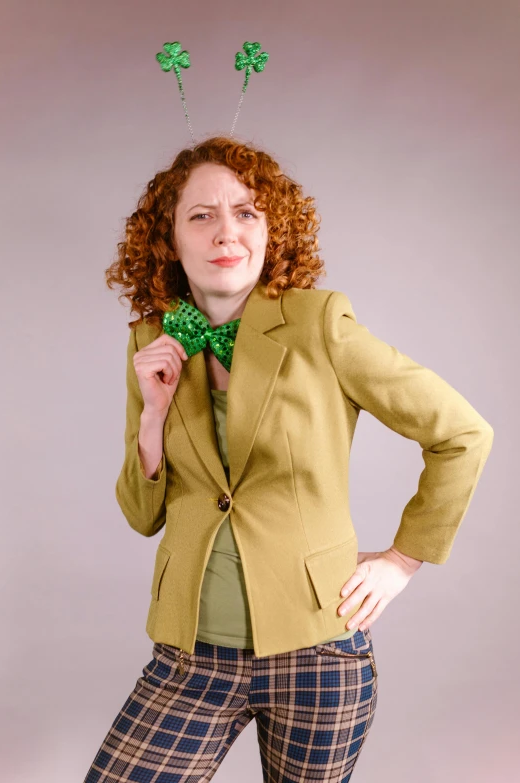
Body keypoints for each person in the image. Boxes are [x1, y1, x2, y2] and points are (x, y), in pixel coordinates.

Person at [83, 135, 494, 782]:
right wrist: (154, 417)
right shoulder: (151, 338)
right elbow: (142, 516)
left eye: (246, 212)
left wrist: (403, 559)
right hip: (190, 656)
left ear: (272, 229)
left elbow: (462, 432)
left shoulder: (319, 324)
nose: (227, 232)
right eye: (201, 215)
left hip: (319, 651)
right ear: (170, 237)